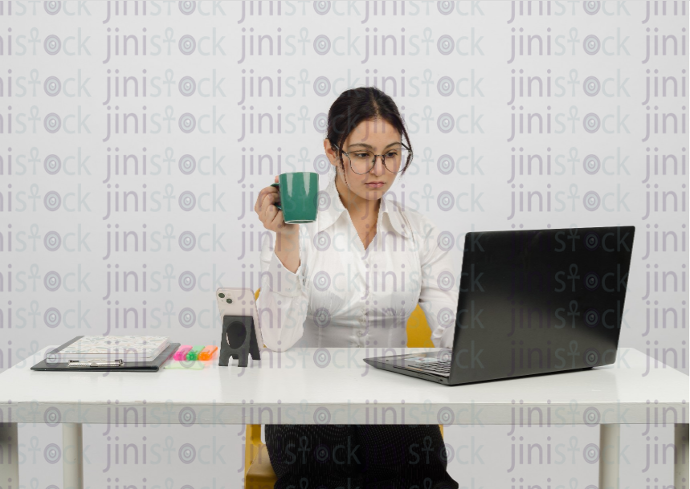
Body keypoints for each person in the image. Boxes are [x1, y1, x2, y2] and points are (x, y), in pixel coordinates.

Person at [253, 87, 459, 489]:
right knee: (319, 476)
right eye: (363, 154)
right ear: (332, 152)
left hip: (390, 399)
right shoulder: (298, 224)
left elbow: (452, 327)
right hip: (305, 401)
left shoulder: (419, 232)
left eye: (392, 154)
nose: (379, 169)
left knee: (420, 475)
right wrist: (287, 240)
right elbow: (275, 340)